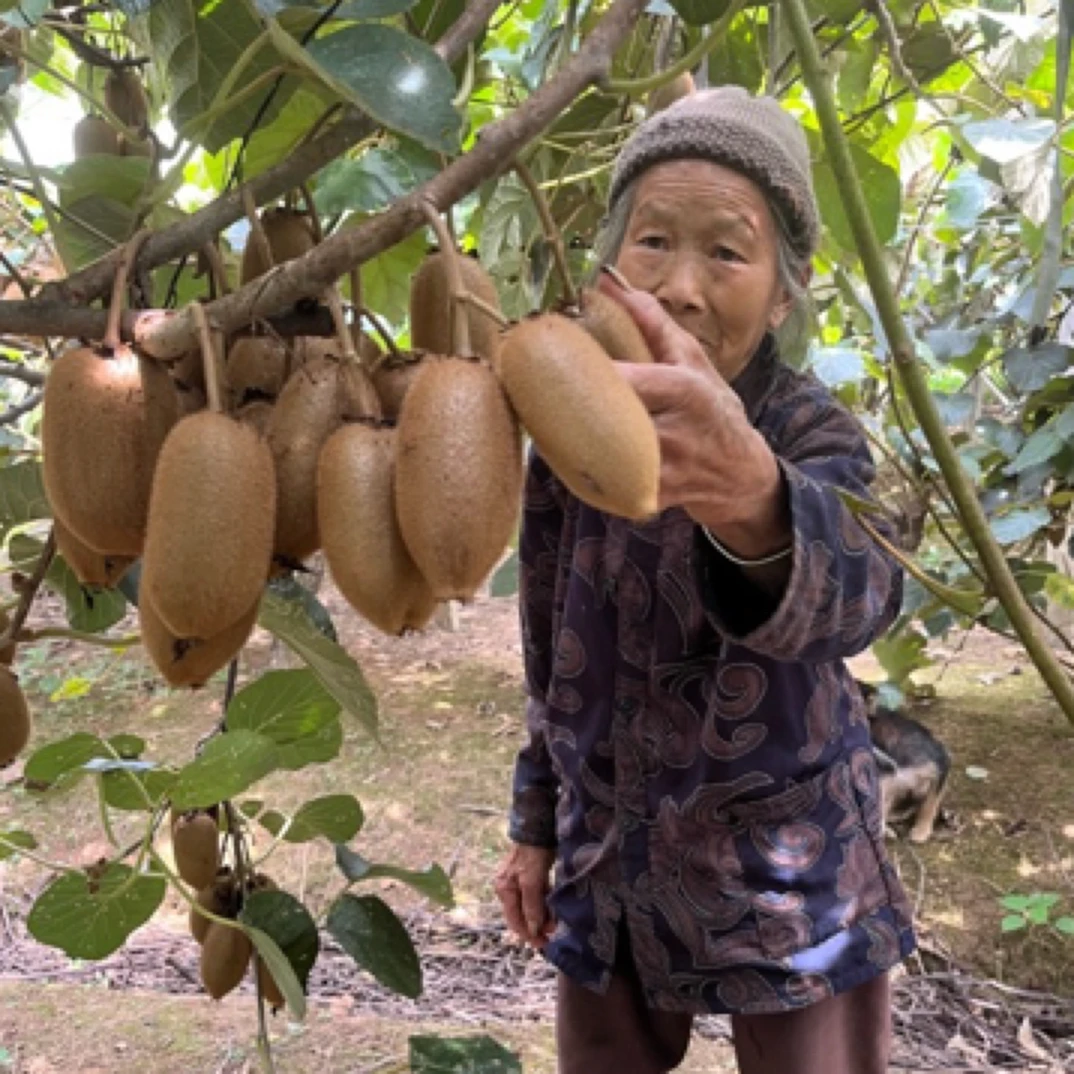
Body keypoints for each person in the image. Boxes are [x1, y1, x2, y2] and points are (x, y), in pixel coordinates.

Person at [494, 86, 915, 1074]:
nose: (682, 285)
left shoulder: (810, 431)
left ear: (782, 290)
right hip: (612, 865)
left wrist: (756, 496)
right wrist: (532, 826)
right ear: (606, 268)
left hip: (793, 880)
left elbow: (866, 594)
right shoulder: (568, 434)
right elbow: (547, 646)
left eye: (726, 251)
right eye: (652, 242)